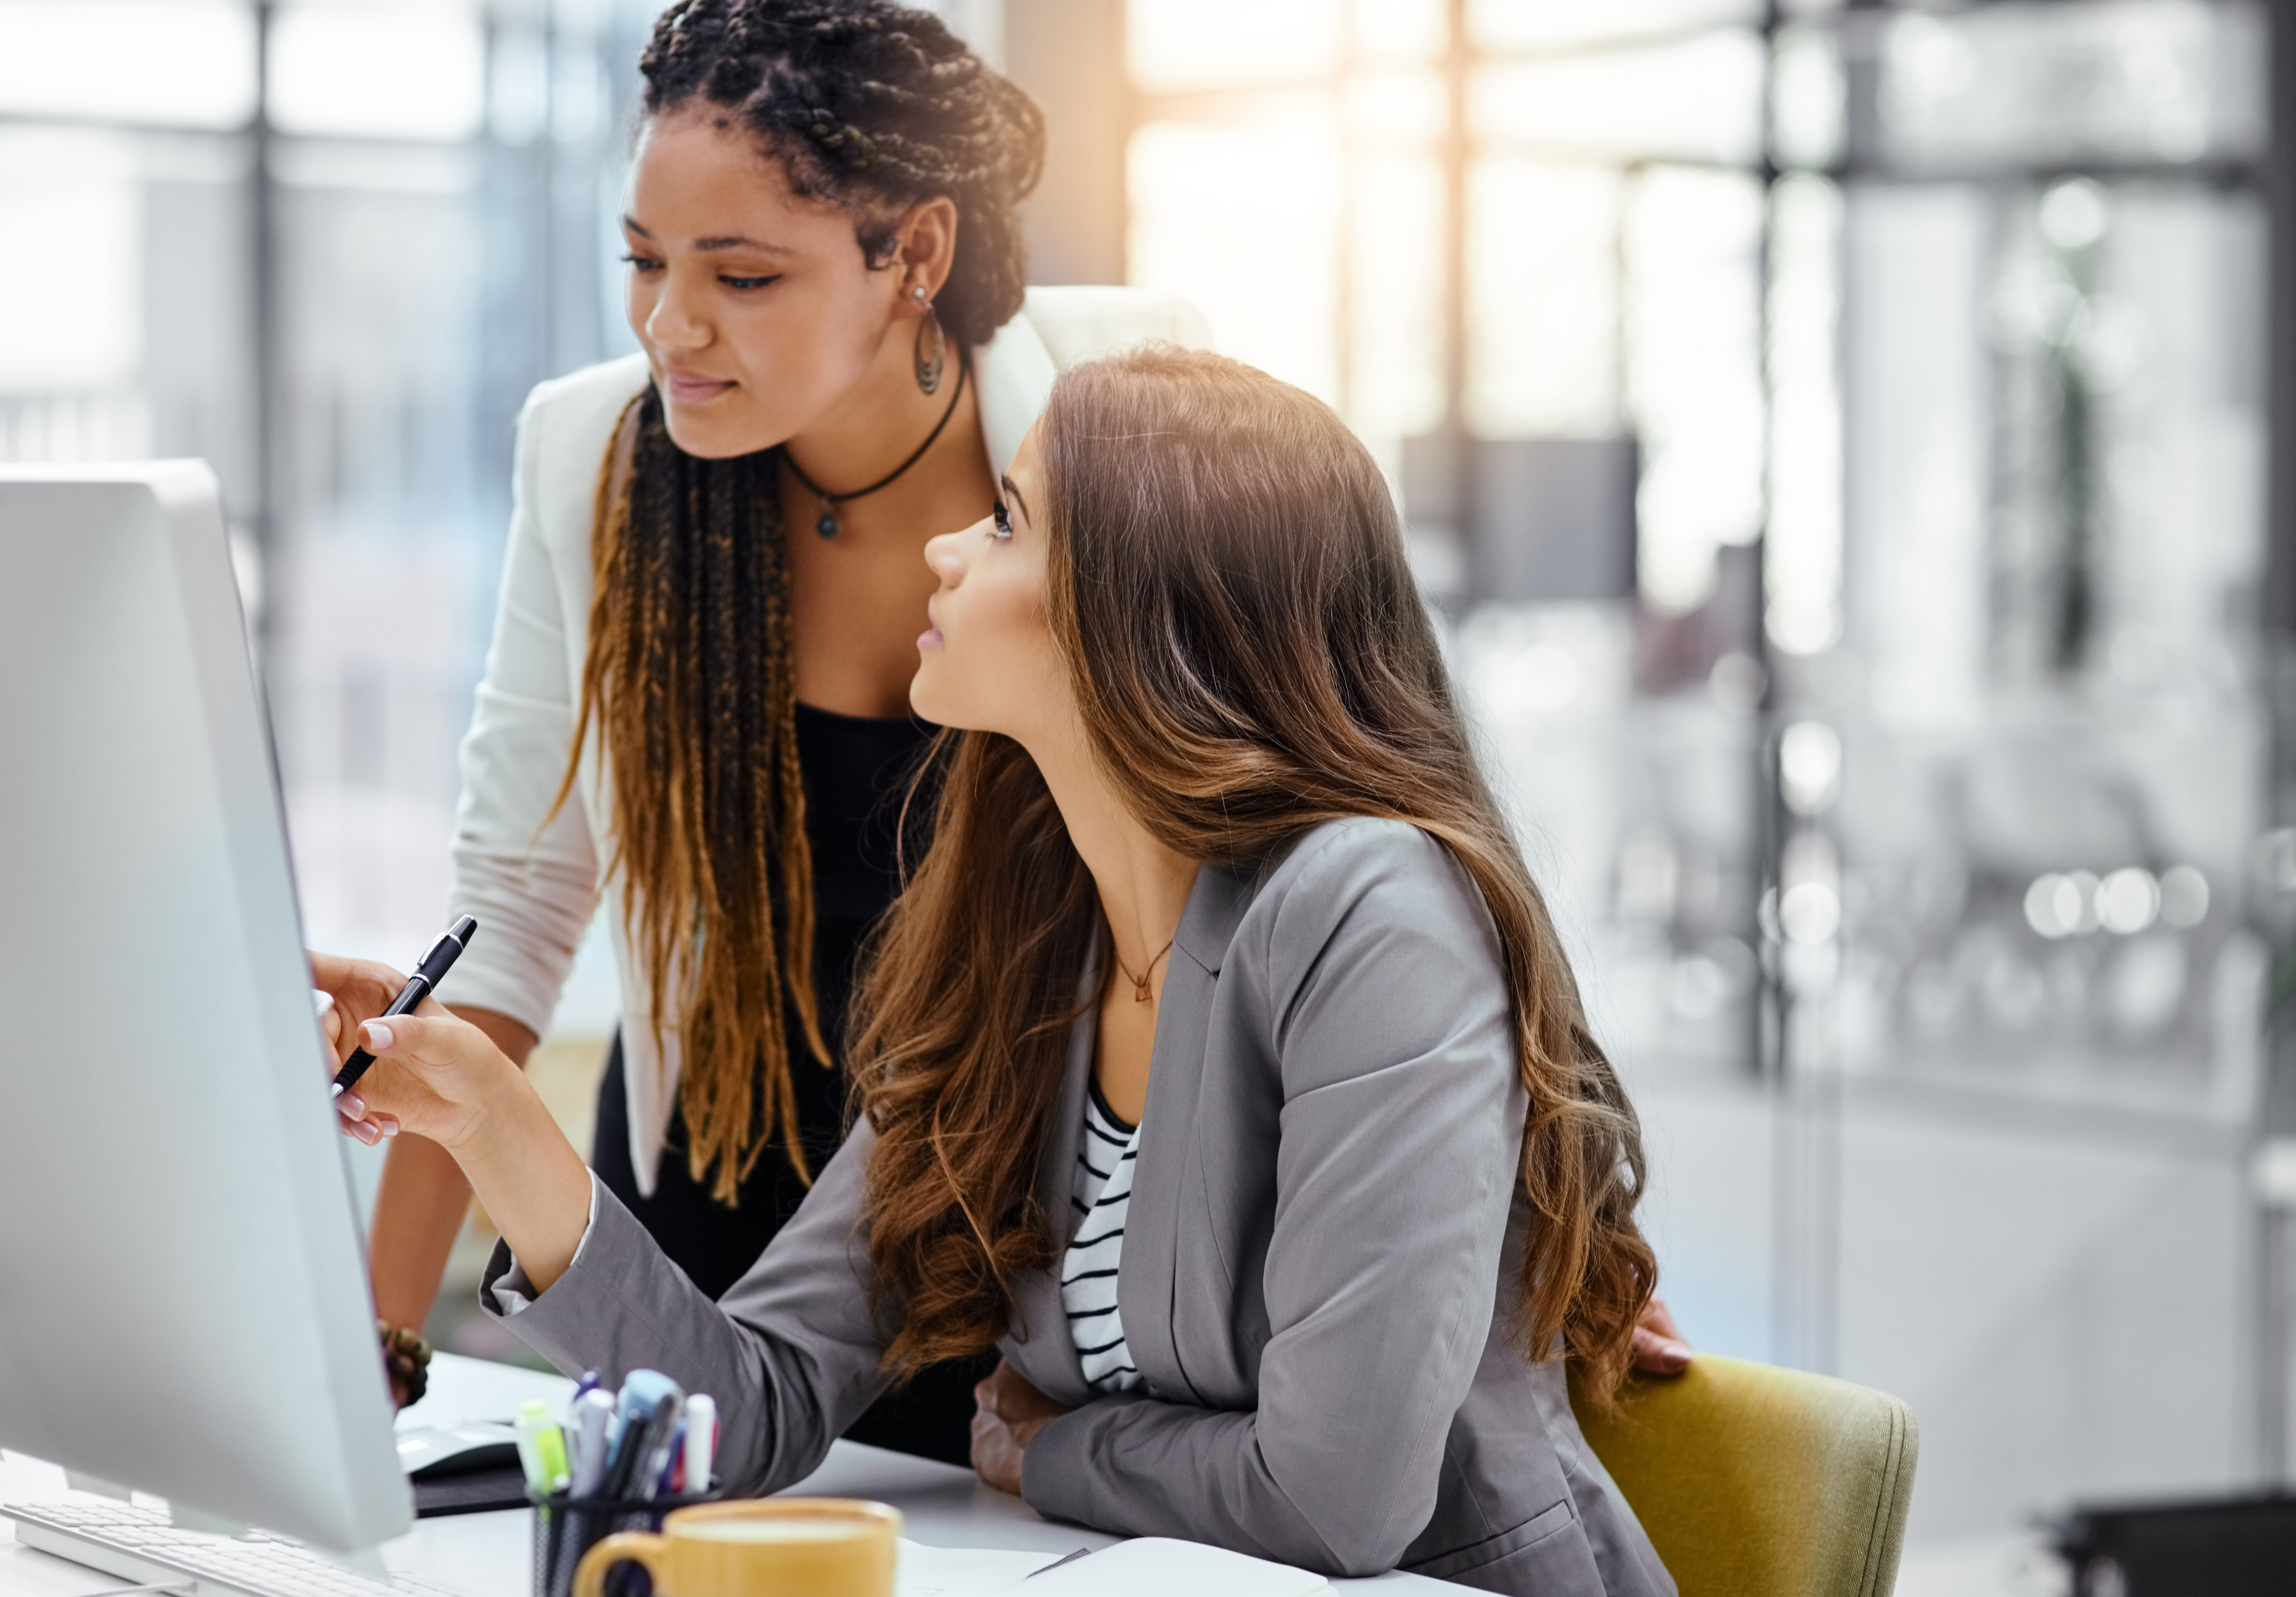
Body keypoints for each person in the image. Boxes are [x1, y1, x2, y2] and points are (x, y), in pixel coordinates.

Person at [317, 347, 1681, 1594]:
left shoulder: (1370, 912)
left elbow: (1338, 1505)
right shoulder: (1025, 945)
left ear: (1152, 611)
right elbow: (758, 1406)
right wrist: (493, 1121)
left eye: (1010, 521)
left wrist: (1059, 1451)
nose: (949, 550)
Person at [353, 0, 1207, 1460]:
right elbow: (511, 913)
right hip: (695, 1241)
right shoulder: (597, 457)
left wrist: (1557, 1220)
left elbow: (1344, 806)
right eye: (643, 260)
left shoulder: (1120, 412)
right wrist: (373, 1357)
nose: (667, 325)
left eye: (742, 274)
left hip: (1023, 1235)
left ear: (916, 256)